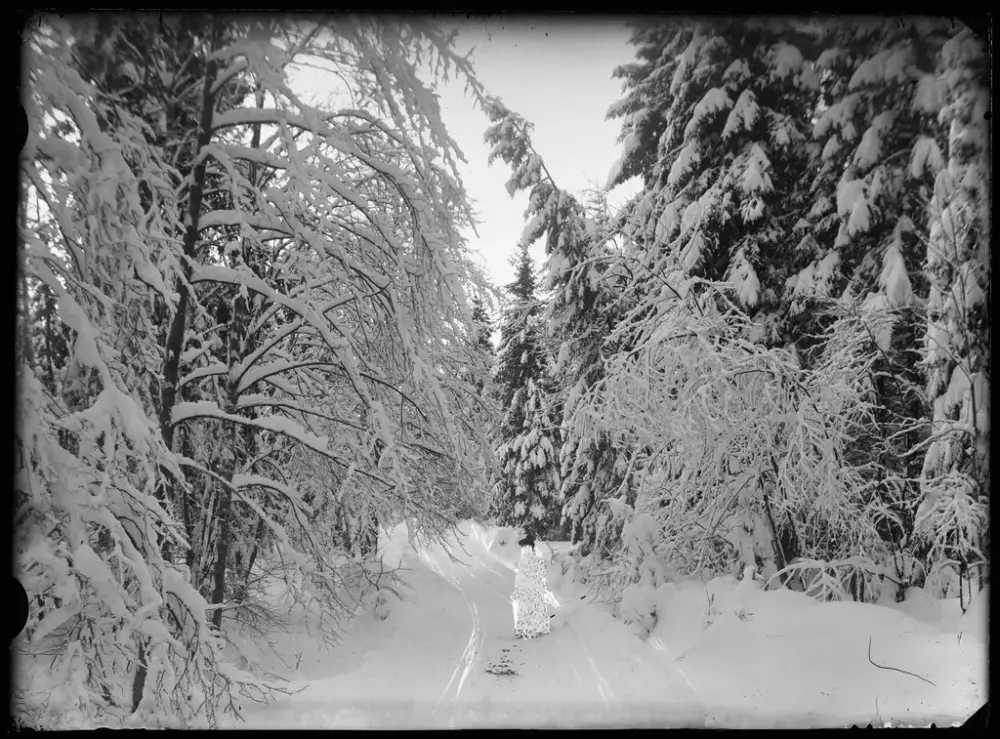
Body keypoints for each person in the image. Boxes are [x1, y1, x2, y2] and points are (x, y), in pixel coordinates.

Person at [509, 531, 554, 639]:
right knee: (534, 608)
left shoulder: (521, 561)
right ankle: (536, 629)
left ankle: (523, 630)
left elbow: (519, 576)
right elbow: (542, 573)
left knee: (523, 608)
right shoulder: (537, 560)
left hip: (525, 587)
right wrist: (537, 581)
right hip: (533, 588)